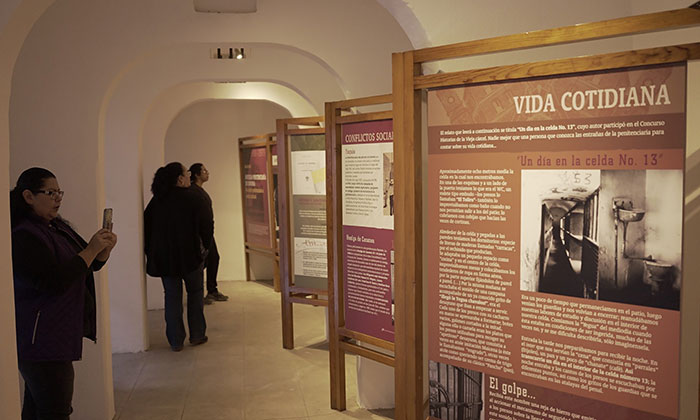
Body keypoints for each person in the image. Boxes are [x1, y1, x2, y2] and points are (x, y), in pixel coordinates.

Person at [10, 167, 117, 420]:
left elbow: (85, 263)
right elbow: (53, 281)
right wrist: (91, 250)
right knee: (55, 410)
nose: (58, 198)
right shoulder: (23, 235)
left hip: (56, 334)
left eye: (60, 192)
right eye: (51, 192)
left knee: (38, 407)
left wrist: (103, 250)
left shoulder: (55, 227)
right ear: (28, 196)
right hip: (40, 340)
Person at [144, 162, 212, 351]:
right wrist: (205, 249)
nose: (189, 176)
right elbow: (207, 226)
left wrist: (151, 251)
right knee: (196, 294)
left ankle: (175, 340)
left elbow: (146, 228)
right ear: (180, 179)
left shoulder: (157, 201)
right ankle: (197, 334)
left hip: (166, 260)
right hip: (191, 257)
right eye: (186, 173)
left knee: (172, 298)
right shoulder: (194, 198)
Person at [189, 163, 228, 304]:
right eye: (204, 170)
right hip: (202, 235)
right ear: (197, 175)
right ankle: (206, 292)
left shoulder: (198, 191)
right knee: (206, 261)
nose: (207, 173)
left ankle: (211, 290)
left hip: (206, 233)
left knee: (213, 259)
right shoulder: (194, 192)